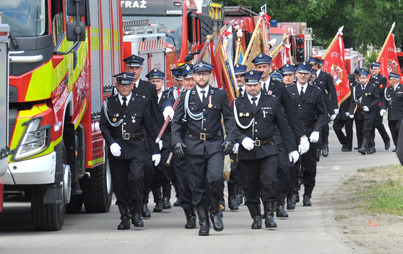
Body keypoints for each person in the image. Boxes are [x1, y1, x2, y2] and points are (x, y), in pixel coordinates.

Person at [171, 61, 235, 236]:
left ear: (209, 76)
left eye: (204, 74)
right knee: (196, 185)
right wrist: (176, 142)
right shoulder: (186, 96)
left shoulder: (219, 95)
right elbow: (176, 122)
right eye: (198, 74)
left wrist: (230, 138)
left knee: (215, 179)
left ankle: (215, 210)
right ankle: (203, 221)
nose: (200, 77)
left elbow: (229, 118)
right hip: (193, 146)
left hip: (215, 144)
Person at [232, 69, 299, 229]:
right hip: (247, 152)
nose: (252, 88)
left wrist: (292, 149)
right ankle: (256, 216)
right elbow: (230, 127)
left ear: (260, 84)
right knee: (250, 185)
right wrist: (240, 140)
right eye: (249, 85)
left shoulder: (271, 101)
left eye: (255, 85)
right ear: (245, 86)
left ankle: (269, 215)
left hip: (268, 148)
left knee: (269, 181)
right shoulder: (237, 104)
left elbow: (283, 126)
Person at [100, 72, 160, 230]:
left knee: (136, 178)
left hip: (136, 147)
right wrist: (111, 143)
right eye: (121, 85)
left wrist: (155, 151)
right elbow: (104, 125)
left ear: (132, 86)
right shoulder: (109, 103)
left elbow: (150, 127)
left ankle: (137, 213)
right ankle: (124, 217)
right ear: (117, 86)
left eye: (127, 84)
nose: (124, 87)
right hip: (118, 150)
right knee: (120, 184)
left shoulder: (141, 102)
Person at [253, 53, 309, 216]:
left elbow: (291, 113)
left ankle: (280, 202)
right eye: (259, 67)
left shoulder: (279, 87)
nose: (262, 70)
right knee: (262, 175)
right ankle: (268, 205)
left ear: (270, 68)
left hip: (278, 134)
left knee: (284, 169)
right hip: (258, 135)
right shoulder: (252, 86)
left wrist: (302, 136)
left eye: (264, 67)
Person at [123, 54, 162, 218]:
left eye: (136, 68)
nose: (133, 71)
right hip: (128, 138)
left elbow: (155, 115)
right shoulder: (122, 85)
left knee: (146, 171)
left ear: (141, 69)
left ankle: (143, 201)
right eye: (130, 68)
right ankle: (132, 204)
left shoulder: (149, 88)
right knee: (129, 175)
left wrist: (158, 139)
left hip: (146, 137)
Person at [286, 62, 327, 206]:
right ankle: (293, 193)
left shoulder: (316, 92)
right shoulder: (288, 91)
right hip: (292, 133)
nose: (302, 76)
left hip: (309, 130)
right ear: (295, 74)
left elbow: (323, 114)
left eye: (306, 73)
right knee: (291, 165)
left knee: (309, 166)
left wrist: (317, 130)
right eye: (300, 73)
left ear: (310, 75)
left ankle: (308, 193)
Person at [145, 68, 174, 212]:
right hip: (151, 138)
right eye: (152, 81)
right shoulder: (147, 98)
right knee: (153, 170)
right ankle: (158, 200)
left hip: (165, 138)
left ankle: (167, 197)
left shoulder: (166, 98)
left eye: (157, 81)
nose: (155, 84)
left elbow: (168, 106)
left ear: (163, 82)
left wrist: (168, 110)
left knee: (164, 168)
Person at [227, 63, 247, 211]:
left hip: (248, 135)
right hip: (232, 134)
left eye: (241, 76)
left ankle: (245, 192)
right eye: (237, 76)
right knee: (233, 169)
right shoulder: (228, 91)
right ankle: (232, 196)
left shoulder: (250, 90)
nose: (239, 79)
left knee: (246, 167)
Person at [309, 57, 338, 158]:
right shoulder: (308, 75)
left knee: (324, 127)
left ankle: (325, 144)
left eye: (312, 64)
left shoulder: (326, 76)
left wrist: (334, 108)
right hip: (312, 106)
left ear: (317, 65)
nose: (311, 66)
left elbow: (332, 92)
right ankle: (317, 147)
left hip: (324, 105)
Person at [348, 69, 380, 155]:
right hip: (359, 112)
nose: (362, 80)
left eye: (364, 78)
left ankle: (365, 147)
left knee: (367, 129)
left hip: (369, 112)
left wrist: (369, 107)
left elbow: (377, 99)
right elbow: (353, 101)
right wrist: (351, 112)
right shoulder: (356, 88)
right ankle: (369, 146)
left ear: (367, 78)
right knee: (360, 130)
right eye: (360, 78)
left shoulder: (372, 87)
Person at [369, 62, 391, 150]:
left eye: (375, 69)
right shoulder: (368, 78)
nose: (373, 70)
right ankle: (371, 146)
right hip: (370, 104)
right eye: (372, 69)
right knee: (370, 125)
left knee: (378, 124)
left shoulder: (382, 79)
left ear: (379, 69)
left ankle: (386, 139)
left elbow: (380, 91)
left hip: (378, 104)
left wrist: (382, 107)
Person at [380, 72, 403, 152]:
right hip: (391, 115)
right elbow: (385, 100)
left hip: (400, 115)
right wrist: (383, 108)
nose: (388, 81)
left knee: (399, 130)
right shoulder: (388, 90)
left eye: (390, 79)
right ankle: (397, 146)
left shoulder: (402, 88)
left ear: (395, 80)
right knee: (393, 131)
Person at [333, 74, 354, 151]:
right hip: (338, 113)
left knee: (349, 130)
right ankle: (344, 142)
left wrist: (351, 112)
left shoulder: (350, 89)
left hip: (347, 112)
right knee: (336, 127)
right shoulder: (336, 89)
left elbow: (353, 101)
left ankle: (348, 146)